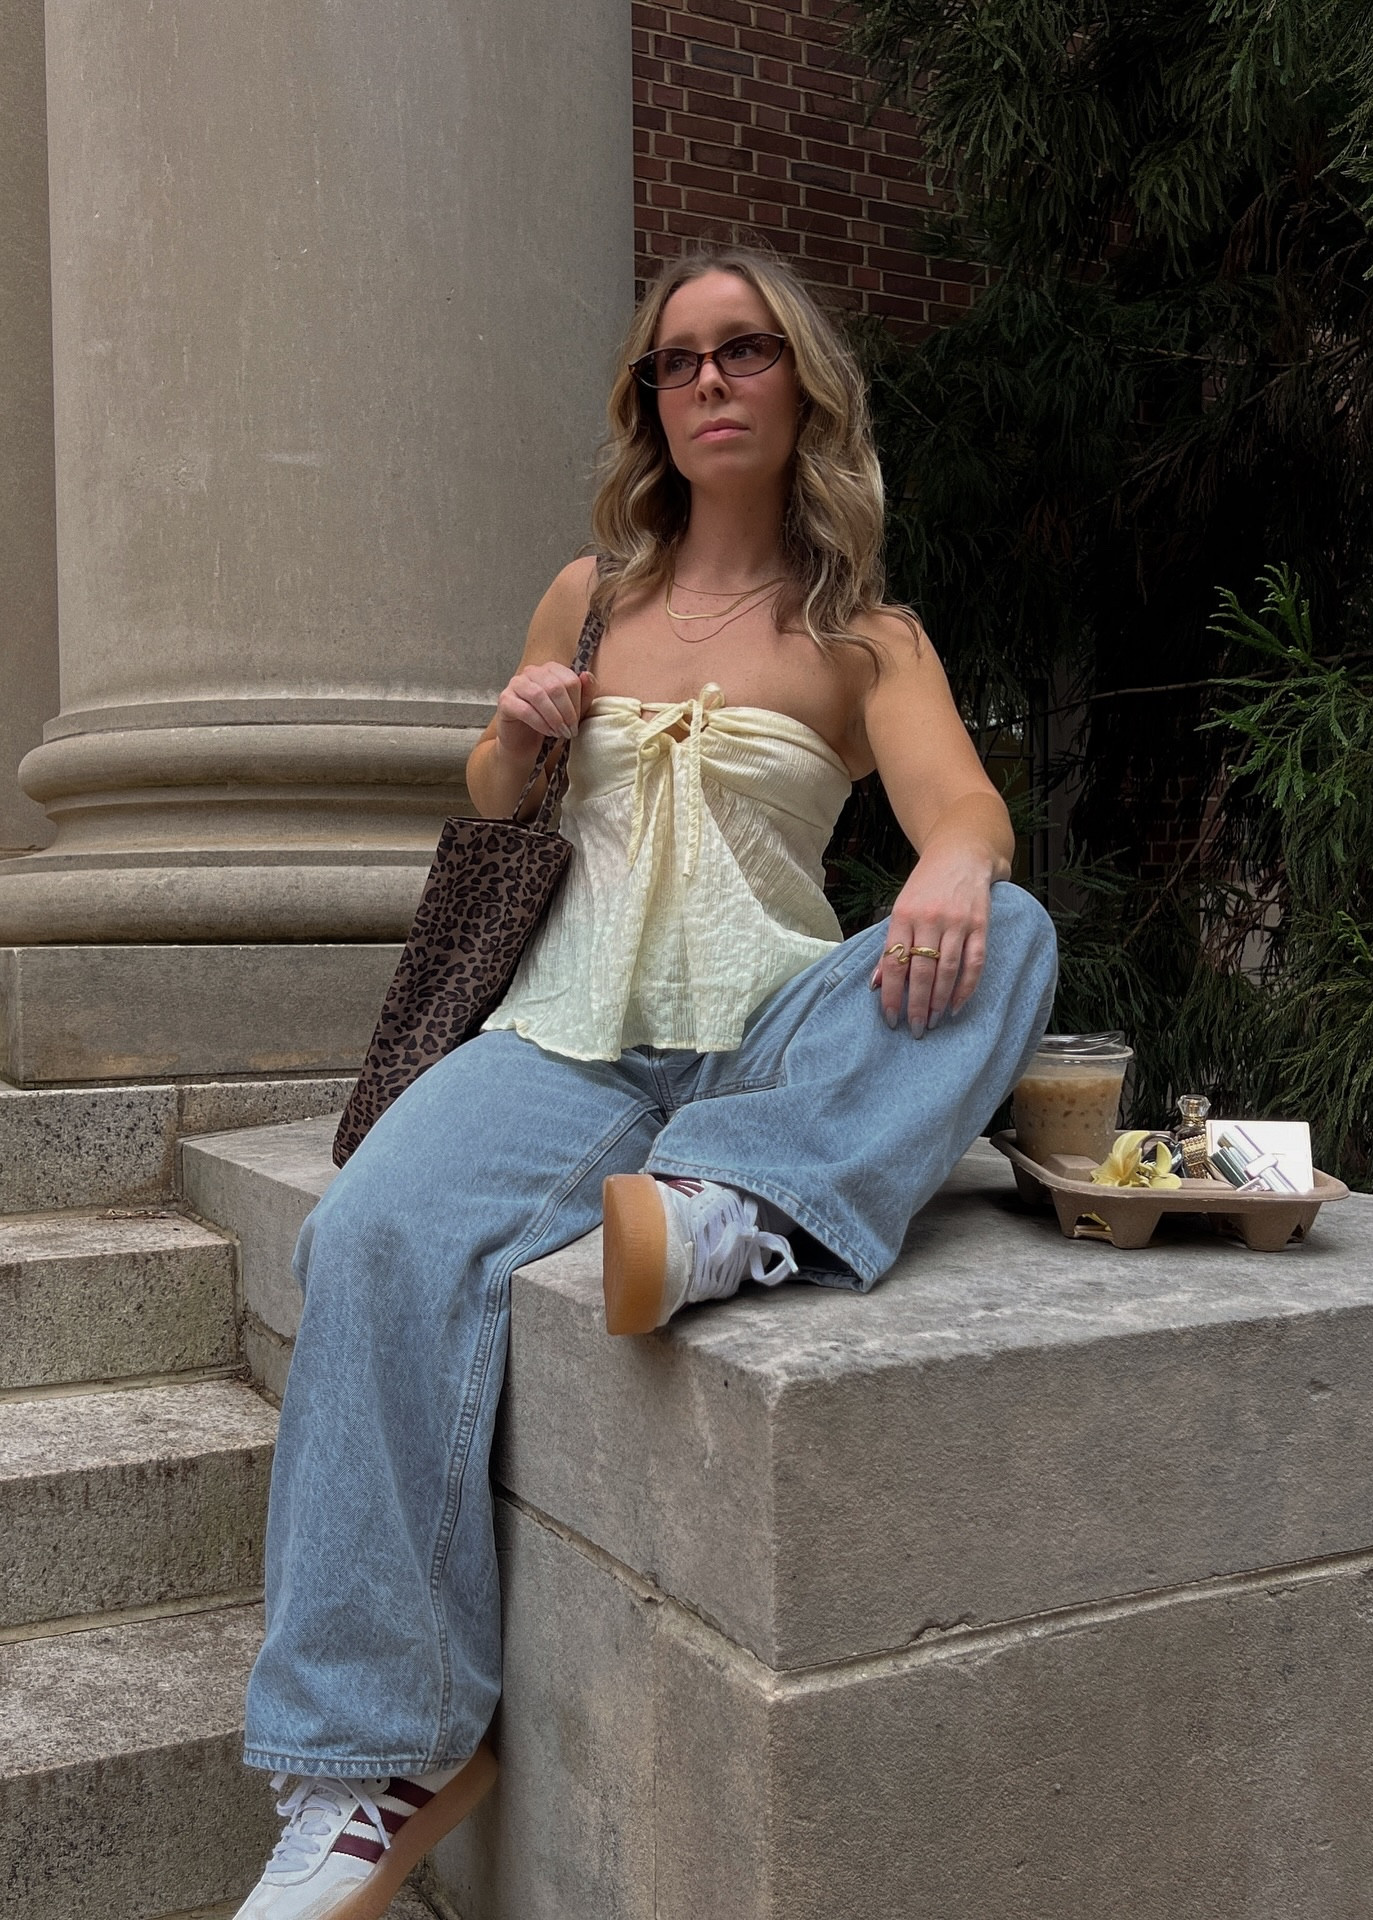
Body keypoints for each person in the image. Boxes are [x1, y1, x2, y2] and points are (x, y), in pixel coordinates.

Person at [235, 245, 1057, 1919]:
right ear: (650, 404)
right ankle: (369, 1768)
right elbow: (491, 792)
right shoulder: (588, 594)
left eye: (742, 352)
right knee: (372, 1236)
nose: (707, 383)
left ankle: (740, 1208)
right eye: (676, 363)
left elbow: (964, 817)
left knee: (1018, 934)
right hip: (561, 1034)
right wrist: (523, 729)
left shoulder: (865, 635)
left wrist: (956, 868)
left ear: (800, 387)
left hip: (768, 1041)